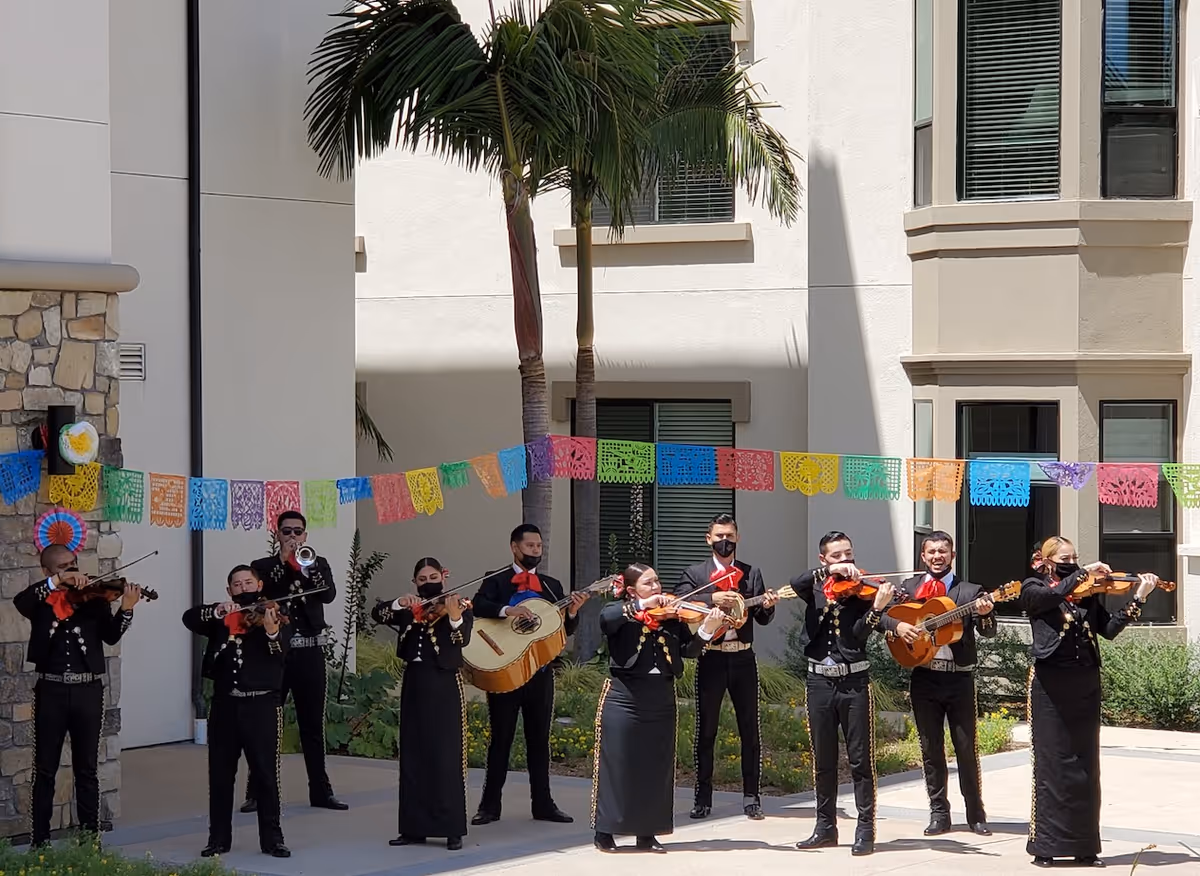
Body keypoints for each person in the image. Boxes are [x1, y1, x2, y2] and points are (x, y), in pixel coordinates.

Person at [1021, 536, 1157, 869]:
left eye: (1076, 557)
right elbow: (1051, 598)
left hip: (1085, 682)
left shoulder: (1087, 592)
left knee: (1085, 765)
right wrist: (1082, 572)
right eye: (1066, 558)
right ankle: (1047, 846)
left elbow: (1108, 629)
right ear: (1049, 560)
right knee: (1052, 764)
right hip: (1050, 684)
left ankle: (1085, 846)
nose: (1073, 562)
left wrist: (1138, 596)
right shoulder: (1033, 587)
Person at [15, 545, 141, 846]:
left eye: (74, 564)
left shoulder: (93, 600)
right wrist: (58, 583)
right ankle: (40, 841)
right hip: (51, 689)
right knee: (45, 767)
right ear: (48, 572)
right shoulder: (41, 602)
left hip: (88, 690)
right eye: (63, 567)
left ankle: (89, 839)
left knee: (87, 768)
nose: (73, 570)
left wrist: (126, 609)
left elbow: (110, 635)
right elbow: (21, 602)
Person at [593, 564, 724, 852]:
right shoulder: (620, 614)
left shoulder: (671, 617)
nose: (656, 588)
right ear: (632, 590)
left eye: (657, 582)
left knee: (656, 766)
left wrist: (707, 629)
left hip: (661, 697)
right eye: (648, 583)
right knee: (619, 765)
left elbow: (688, 652)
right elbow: (605, 619)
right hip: (625, 697)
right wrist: (642, 605)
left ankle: (647, 831)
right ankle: (606, 830)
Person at [470, 524, 589, 825]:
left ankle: (544, 804)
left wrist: (572, 612)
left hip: (539, 672)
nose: (535, 551)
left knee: (539, 740)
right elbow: (478, 606)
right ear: (514, 547)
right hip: (506, 670)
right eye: (530, 546)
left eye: (539, 546)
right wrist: (507, 612)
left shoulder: (551, 586)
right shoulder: (496, 580)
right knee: (501, 739)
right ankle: (489, 806)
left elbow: (563, 630)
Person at [790, 531, 892, 857]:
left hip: (854, 682)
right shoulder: (816, 587)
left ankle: (866, 829)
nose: (845, 561)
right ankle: (825, 828)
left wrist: (876, 608)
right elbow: (796, 582)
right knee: (823, 760)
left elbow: (859, 636)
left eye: (848, 554)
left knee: (861, 760)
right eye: (837, 556)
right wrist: (828, 575)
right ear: (824, 559)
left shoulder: (862, 591)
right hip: (819, 682)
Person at [676, 513, 778, 821]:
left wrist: (768, 607)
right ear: (709, 539)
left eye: (730, 536)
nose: (725, 541)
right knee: (706, 730)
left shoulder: (751, 573)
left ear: (737, 538)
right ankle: (702, 797)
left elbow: (761, 618)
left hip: (743, 657)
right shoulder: (695, 573)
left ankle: (752, 797)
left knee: (750, 729)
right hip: (712, 656)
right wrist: (712, 597)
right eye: (719, 536)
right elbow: (680, 603)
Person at [242, 511, 346, 813]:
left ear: (305, 535)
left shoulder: (317, 563)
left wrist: (302, 566)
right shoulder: (263, 568)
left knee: (312, 725)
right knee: (266, 723)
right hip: (276, 653)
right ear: (277, 534)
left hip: (311, 652)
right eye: (286, 531)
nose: (292, 537)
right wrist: (286, 563)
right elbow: (261, 597)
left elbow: (327, 595)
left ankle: (321, 791)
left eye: (297, 532)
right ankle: (257, 790)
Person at [892, 531, 995, 837]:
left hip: (959, 677)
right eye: (931, 551)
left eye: (943, 551)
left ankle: (976, 813)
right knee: (930, 747)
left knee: (965, 747)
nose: (937, 556)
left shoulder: (970, 591)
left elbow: (988, 632)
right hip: (924, 675)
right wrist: (899, 629)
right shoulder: (910, 588)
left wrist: (987, 614)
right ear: (923, 556)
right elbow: (890, 617)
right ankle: (939, 813)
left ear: (952, 556)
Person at [183, 565, 290, 858]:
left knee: (266, 775)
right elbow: (189, 618)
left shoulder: (274, 616)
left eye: (248, 582)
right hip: (226, 704)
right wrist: (218, 611)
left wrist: (271, 632)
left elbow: (282, 654)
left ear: (260, 584)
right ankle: (218, 839)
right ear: (230, 591)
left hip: (262, 705)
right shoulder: (222, 619)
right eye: (237, 585)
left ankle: (272, 839)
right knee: (220, 775)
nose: (244, 588)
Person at [372, 558, 473, 851]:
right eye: (421, 578)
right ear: (414, 582)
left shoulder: (460, 605)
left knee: (445, 755)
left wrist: (454, 616)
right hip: (414, 681)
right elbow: (377, 613)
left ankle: (451, 827)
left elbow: (461, 638)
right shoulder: (409, 610)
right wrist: (397, 603)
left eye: (433, 576)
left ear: (443, 576)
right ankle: (413, 828)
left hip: (443, 681)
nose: (428, 582)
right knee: (413, 754)